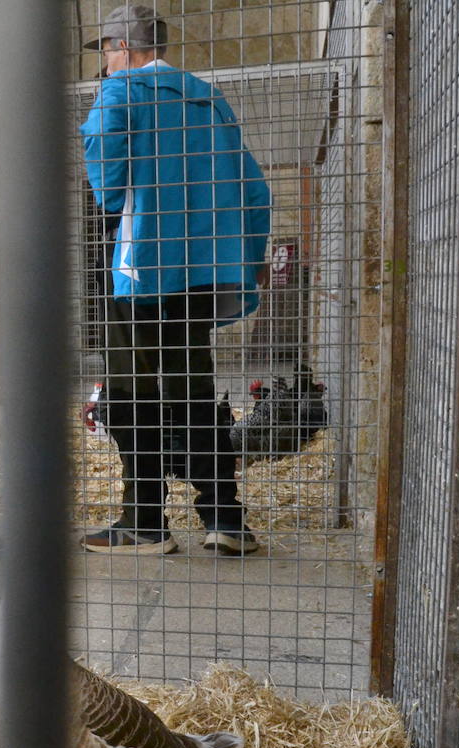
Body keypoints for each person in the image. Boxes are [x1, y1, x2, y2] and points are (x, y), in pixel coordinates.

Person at [79, 5, 272, 556]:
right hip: (200, 274)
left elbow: (106, 170)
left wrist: (111, 196)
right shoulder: (207, 98)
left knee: (130, 392)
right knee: (195, 390)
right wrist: (244, 259)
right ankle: (225, 519)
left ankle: (143, 521)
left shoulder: (120, 93)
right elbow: (254, 189)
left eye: (109, 51)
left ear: (124, 47)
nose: (107, 63)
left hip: (140, 270)